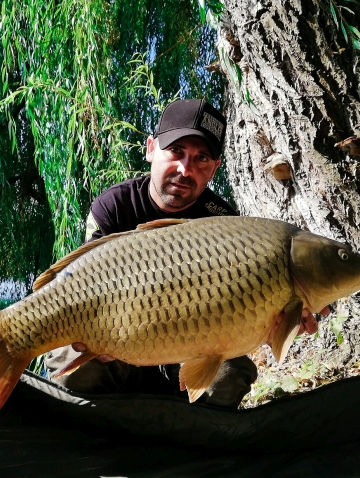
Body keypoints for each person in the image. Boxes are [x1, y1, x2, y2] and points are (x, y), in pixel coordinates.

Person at [45, 98, 329, 408]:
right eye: (176, 151)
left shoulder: (224, 223)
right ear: (151, 148)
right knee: (73, 369)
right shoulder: (113, 206)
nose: (185, 169)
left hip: (187, 346)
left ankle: (189, 442)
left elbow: (237, 312)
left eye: (201, 157)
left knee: (230, 374)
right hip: (119, 336)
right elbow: (81, 288)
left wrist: (281, 320)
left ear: (214, 168)